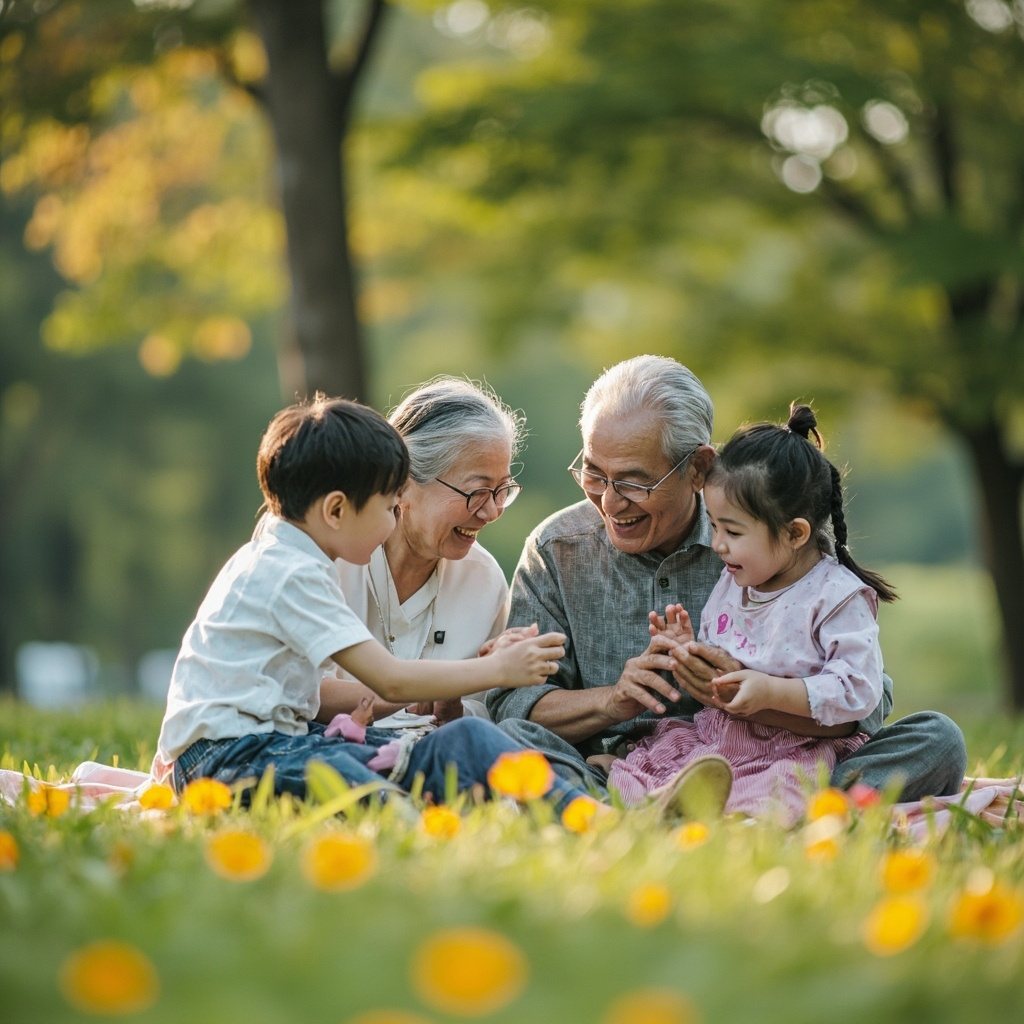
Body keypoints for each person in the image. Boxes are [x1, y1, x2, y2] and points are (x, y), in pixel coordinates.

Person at [487, 354, 967, 803]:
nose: (610, 502)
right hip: (614, 765)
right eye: (594, 474)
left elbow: (867, 702)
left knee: (937, 738)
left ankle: (713, 808)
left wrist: (748, 696)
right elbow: (514, 704)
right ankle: (734, 811)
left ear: (698, 468)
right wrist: (614, 702)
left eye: (634, 482)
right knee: (510, 742)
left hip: (782, 760)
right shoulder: (556, 549)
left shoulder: (765, 539)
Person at [151, 395, 592, 815]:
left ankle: (583, 812)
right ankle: (409, 816)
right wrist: (498, 669)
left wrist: (457, 689)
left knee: (465, 741)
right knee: (369, 786)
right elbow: (391, 681)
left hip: (286, 744)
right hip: (228, 756)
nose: (393, 518)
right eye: (388, 507)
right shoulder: (289, 571)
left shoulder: (301, 562)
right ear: (336, 511)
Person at [606, 402, 897, 824]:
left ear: (795, 533)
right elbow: (728, 664)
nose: (717, 544)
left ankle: (738, 826)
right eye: (714, 526)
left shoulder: (836, 596)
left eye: (732, 531)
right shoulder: (737, 579)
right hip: (720, 736)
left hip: (793, 746)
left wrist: (771, 692)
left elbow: (857, 689)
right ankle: (659, 811)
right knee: (642, 767)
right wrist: (689, 653)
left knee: (773, 790)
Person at [317, 377, 529, 730]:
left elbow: (490, 708)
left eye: (502, 490)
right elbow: (299, 691)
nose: (492, 512)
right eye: (477, 492)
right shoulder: (329, 560)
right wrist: (421, 687)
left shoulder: (483, 579)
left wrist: (454, 709)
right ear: (402, 485)